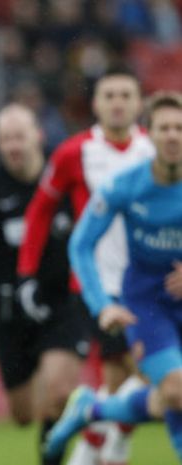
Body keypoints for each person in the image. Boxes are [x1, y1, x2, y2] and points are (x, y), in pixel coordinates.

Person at [16, 67, 155, 464]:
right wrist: (27, 273)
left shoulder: (156, 152)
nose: (117, 103)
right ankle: (112, 447)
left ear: (139, 103)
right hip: (98, 285)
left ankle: (93, 444)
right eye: (109, 95)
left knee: (125, 377)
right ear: (95, 104)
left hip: (148, 282)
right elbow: (40, 211)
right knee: (145, 371)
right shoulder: (74, 153)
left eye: (125, 95)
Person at [43, 91, 182, 462]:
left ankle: (92, 411)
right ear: (148, 135)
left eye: (180, 129)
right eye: (164, 128)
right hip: (147, 304)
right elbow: (81, 245)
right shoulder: (125, 185)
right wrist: (102, 305)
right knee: (176, 391)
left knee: (172, 395)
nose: (172, 136)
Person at [0, 104, 88, 465]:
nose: (14, 145)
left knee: (57, 394)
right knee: (24, 414)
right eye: (5, 139)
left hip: (63, 301)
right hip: (11, 308)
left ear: (38, 136)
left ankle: (70, 430)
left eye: (20, 136)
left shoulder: (65, 181)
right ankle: (74, 411)